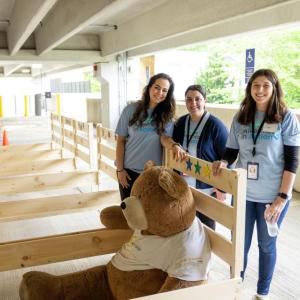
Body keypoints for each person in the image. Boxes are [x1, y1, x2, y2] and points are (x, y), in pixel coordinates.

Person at [212, 69, 300, 300]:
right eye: (255, 86)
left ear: (274, 88)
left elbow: (292, 160)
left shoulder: (285, 117)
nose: (260, 90)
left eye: (265, 86)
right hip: (244, 193)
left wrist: (282, 196)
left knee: (266, 245)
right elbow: (231, 151)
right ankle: (236, 287)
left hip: (272, 196)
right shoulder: (241, 116)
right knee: (239, 244)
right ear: (249, 89)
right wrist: (223, 161)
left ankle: (262, 293)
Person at [115, 73, 185, 200]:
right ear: (149, 88)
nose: (160, 92)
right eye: (157, 87)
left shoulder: (166, 115)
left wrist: (174, 145)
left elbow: (165, 138)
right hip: (128, 171)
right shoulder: (130, 110)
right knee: (129, 215)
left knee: (149, 216)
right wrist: (120, 170)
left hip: (153, 174)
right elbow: (120, 141)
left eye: (165, 90)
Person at [170, 84, 228, 230]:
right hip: (184, 187)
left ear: (205, 101)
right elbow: (173, 145)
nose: (193, 103)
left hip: (207, 188)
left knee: (206, 228)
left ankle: (204, 254)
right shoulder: (181, 123)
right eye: (189, 99)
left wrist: (223, 188)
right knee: (184, 226)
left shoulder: (216, 125)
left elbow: (227, 157)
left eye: (197, 99)